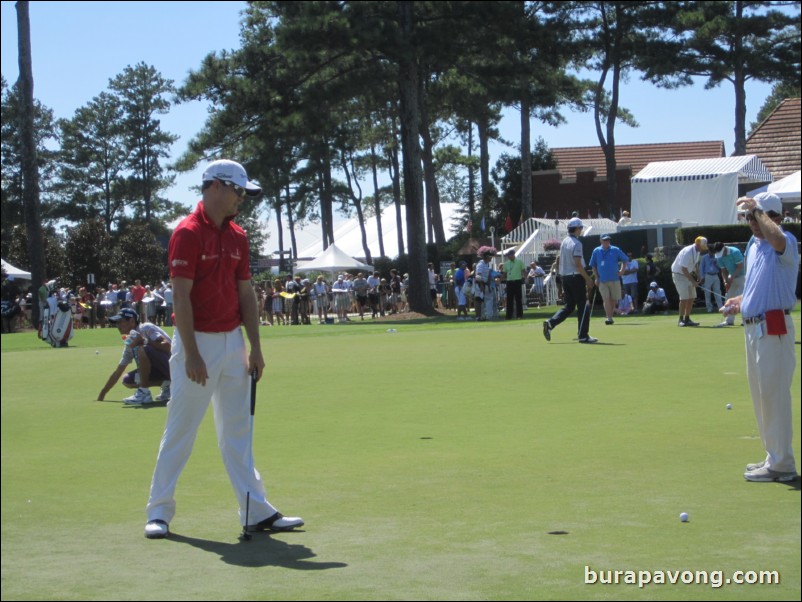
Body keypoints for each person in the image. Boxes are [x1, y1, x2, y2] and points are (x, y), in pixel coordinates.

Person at [144, 159, 303, 539]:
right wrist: (193, 354)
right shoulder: (186, 233)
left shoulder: (238, 236)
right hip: (195, 341)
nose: (241, 200)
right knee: (181, 430)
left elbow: (245, 293)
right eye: (237, 191)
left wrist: (255, 347)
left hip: (233, 343)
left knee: (238, 430)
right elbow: (180, 297)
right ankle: (159, 512)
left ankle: (255, 510)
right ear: (215, 186)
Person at [721, 193, 799, 483]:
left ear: (774, 217)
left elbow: (777, 240)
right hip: (752, 327)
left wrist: (757, 209)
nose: (752, 223)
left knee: (774, 395)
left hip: (774, 327)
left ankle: (783, 463)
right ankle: (773, 457)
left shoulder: (785, 241)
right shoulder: (754, 246)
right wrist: (739, 301)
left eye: (757, 217)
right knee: (761, 396)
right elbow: (756, 287)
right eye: (748, 218)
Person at [98, 307, 172, 404]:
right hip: (163, 371)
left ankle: (144, 392)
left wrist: (145, 341)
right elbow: (118, 371)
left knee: (143, 348)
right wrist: (102, 394)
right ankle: (168, 385)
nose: (118, 325)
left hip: (175, 367)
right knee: (127, 380)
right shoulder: (130, 342)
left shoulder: (146, 328)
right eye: (117, 323)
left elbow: (168, 346)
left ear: (132, 321)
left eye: (121, 321)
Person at [543, 217, 597, 343]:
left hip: (566, 277)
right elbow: (578, 264)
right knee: (583, 306)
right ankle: (583, 335)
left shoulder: (564, 242)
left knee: (569, 306)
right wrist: (588, 279)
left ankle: (551, 323)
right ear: (577, 228)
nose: (581, 230)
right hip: (576, 277)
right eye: (581, 228)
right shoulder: (577, 243)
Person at [588, 234, 628, 325]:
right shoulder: (596, 251)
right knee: (606, 299)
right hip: (602, 280)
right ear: (601, 241)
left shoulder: (615, 249)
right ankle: (609, 318)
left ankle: (610, 316)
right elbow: (593, 265)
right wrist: (596, 278)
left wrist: (622, 271)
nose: (607, 242)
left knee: (613, 299)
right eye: (605, 240)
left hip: (614, 279)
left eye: (608, 240)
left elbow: (625, 260)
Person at [670, 236, 707, 327]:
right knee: (684, 298)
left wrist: (698, 275)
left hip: (687, 275)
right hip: (679, 275)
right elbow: (684, 269)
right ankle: (680, 320)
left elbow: (695, 264)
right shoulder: (688, 252)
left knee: (692, 297)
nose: (703, 249)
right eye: (702, 247)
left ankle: (687, 319)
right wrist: (693, 281)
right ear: (697, 244)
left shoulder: (697, 251)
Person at [714, 242, 745, 328]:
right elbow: (724, 271)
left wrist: (731, 278)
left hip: (743, 276)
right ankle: (729, 321)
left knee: (742, 298)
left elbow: (740, 266)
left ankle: (745, 320)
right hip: (731, 275)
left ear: (724, 248)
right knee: (729, 298)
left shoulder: (735, 252)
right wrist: (725, 281)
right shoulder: (719, 257)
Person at [503, 249, 526, 320]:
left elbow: (523, 271)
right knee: (509, 299)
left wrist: (525, 278)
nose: (508, 257)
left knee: (518, 299)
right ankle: (508, 316)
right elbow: (504, 274)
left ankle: (519, 315)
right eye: (508, 256)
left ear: (513, 255)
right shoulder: (506, 264)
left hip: (517, 281)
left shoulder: (519, 262)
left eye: (510, 255)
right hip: (509, 282)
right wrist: (501, 278)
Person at [699, 247, 723, 313]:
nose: (712, 253)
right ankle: (709, 308)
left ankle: (720, 307)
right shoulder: (704, 257)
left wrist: (716, 262)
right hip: (708, 275)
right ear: (708, 251)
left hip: (715, 275)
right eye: (711, 252)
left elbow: (721, 267)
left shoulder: (717, 257)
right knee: (707, 293)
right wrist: (702, 277)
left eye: (713, 252)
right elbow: (701, 268)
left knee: (718, 292)